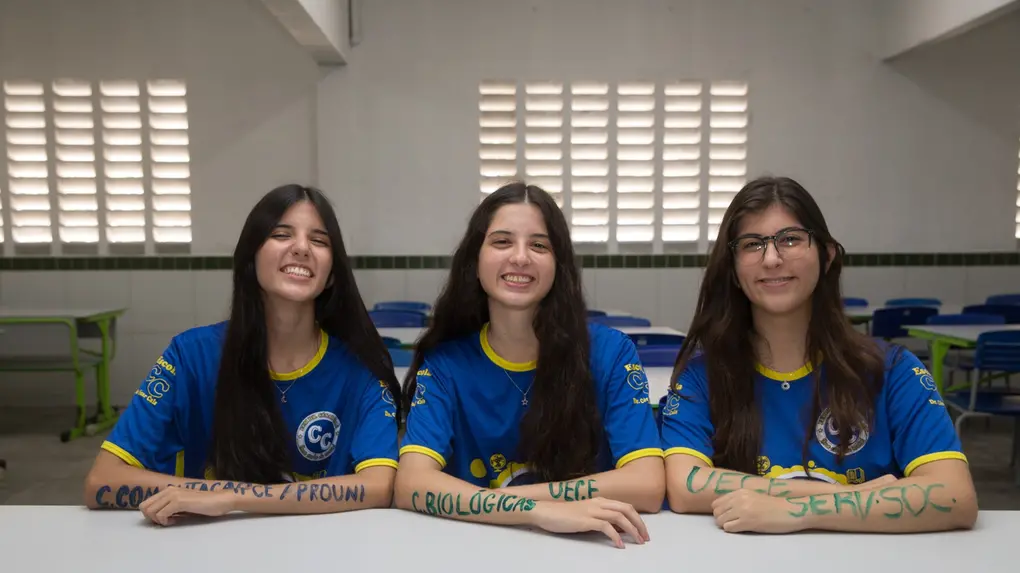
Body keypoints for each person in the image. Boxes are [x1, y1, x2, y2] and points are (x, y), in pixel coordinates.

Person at [660, 176, 978, 533]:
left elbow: (954, 496)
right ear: (733, 269)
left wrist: (798, 511)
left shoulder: (894, 371)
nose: (771, 259)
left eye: (791, 239)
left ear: (826, 256)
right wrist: (840, 495)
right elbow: (684, 486)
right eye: (752, 244)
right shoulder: (704, 375)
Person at [83, 184, 401, 525]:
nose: (301, 248)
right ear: (251, 257)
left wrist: (231, 497)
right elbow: (102, 481)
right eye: (281, 234)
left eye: (319, 241)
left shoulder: (361, 369)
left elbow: (379, 486)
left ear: (331, 275)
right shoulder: (190, 356)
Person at [394, 182, 664, 549]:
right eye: (502, 241)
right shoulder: (446, 365)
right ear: (475, 262)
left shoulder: (610, 352)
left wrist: (528, 498)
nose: (520, 257)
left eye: (539, 245)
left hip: (592, 552)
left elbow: (647, 485)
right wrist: (535, 511)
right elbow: (411, 484)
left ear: (558, 265)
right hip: (475, 551)